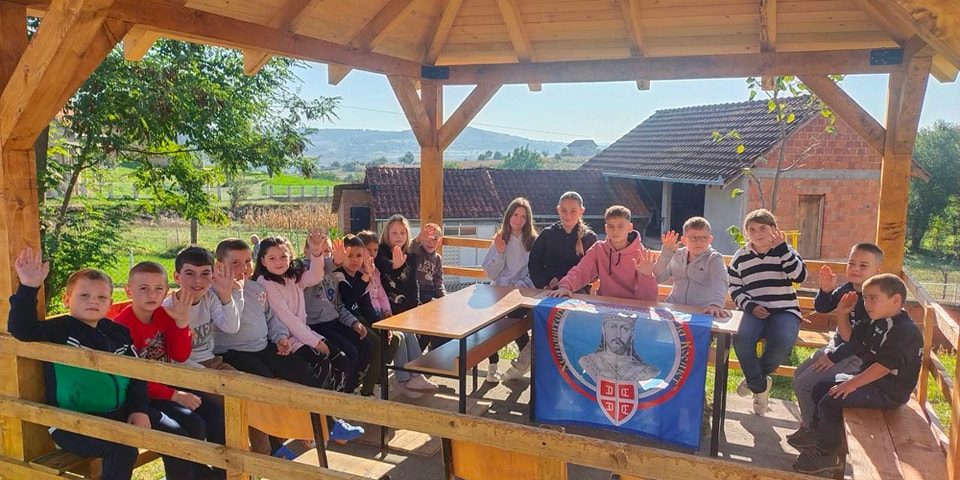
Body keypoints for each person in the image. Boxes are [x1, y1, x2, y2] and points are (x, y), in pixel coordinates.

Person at [8, 248, 153, 480]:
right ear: (67, 300)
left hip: (116, 414)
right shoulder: (61, 329)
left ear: (110, 303)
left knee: (180, 427)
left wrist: (139, 409)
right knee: (123, 450)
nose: (93, 301)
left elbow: (137, 374)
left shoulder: (118, 332)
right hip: (70, 423)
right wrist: (29, 286)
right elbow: (22, 329)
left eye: (101, 297)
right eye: (84, 295)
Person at [792, 274, 922, 476]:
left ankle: (827, 455)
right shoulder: (877, 321)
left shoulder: (904, 331)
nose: (867, 304)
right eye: (865, 299)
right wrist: (842, 314)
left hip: (888, 392)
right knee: (820, 388)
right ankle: (820, 437)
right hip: (870, 383)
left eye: (873, 298)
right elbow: (851, 340)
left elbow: (883, 367)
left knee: (831, 400)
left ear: (896, 300)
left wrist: (851, 383)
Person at [113, 261, 226, 479]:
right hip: (137, 396)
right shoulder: (121, 327)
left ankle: (223, 473)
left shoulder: (165, 315)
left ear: (166, 291)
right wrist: (174, 395)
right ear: (128, 290)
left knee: (213, 411)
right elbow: (131, 378)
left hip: (163, 386)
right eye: (143, 288)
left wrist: (182, 322)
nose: (152, 295)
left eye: (158, 289)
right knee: (183, 430)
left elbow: (180, 355)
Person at [254, 233, 364, 443]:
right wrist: (315, 341)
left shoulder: (291, 277)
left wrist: (316, 253)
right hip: (285, 339)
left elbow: (315, 276)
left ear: (290, 256)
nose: (279, 262)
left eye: (283, 256)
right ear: (263, 261)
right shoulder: (266, 283)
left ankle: (330, 416)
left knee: (340, 359)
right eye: (272, 258)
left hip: (302, 333)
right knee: (320, 365)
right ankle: (319, 424)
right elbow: (286, 318)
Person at [787, 243, 883, 449]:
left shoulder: (874, 300)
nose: (855, 269)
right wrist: (825, 290)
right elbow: (823, 307)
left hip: (855, 357)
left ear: (878, 270)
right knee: (798, 375)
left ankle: (814, 430)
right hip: (836, 348)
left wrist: (832, 357)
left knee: (805, 384)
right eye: (851, 263)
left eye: (863, 265)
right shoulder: (848, 289)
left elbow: (861, 343)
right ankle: (810, 424)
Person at [728, 208, 808, 416]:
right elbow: (734, 288)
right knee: (741, 340)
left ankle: (754, 381)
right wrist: (750, 306)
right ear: (747, 233)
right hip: (752, 310)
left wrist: (783, 250)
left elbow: (799, 276)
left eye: (763, 228)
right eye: (752, 229)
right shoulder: (741, 257)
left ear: (774, 229)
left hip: (784, 310)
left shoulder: (785, 251)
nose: (757, 233)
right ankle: (761, 387)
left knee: (782, 341)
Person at [337, 234, 438, 398]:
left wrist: (382, 324)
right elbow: (350, 299)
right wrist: (366, 275)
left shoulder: (367, 273)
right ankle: (371, 389)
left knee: (398, 335)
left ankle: (400, 378)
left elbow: (369, 302)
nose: (356, 260)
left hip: (369, 316)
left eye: (359, 255)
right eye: (350, 256)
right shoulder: (345, 274)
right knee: (382, 341)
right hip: (349, 320)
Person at [304, 235, 379, 397]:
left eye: (327, 252)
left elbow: (339, 306)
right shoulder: (305, 274)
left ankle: (351, 387)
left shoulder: (332, 276)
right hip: (316, 325)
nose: (324, 256)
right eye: (319, 252)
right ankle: (342, 393)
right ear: (306, 253)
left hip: (334, 321)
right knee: (349, 353)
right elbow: (316, 273)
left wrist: (354, 323)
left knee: (366, 345)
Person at [549, 205, 658, 301]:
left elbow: (649, 300)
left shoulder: (641, 254)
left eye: (620, 226)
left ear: (630, 227)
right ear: (606, 228)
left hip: (632, 308)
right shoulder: (599, 249)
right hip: (604, 304)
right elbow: (581, 271)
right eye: (611, 226)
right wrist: (565, 286)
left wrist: (647, 276)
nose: (615, 231)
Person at [482, 197, 537, 382]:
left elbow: (535, 271)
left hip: (523, 290)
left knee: (515, 322)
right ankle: (493, 366)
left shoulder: (533, 241)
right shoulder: (500, 238)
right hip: (499, 290)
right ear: (508, 216)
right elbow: (491, 273)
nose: (518, 220)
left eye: (523, 216)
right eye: (515, 214)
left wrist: (519, 287)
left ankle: (524, 363)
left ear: (528, 220)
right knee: (490, 322)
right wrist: (499, 252)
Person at [653, 217, 729, 317]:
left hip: (703, 311)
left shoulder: (714, 259)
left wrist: (716, 304)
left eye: (704, 238)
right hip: (674, 308)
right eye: (693, 238)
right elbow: (657, 278)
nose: (699, 243)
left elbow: (720, 282)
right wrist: (666, 254)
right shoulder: (677, 255)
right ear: (684, 240)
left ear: (710, 239)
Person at [528, 191, 598, 292]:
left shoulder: (589, 238)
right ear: (558, 210)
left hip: (578, 292)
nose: (568, 215)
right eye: (564, 210)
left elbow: (591, 270)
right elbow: (534, 264)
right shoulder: (547, 235)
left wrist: (562, 280)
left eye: (573, 211)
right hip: (548, 290)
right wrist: (543, 285)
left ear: (581, 211)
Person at [579, 313, 659, 383]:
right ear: (603, 329)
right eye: (612, 327)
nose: (618, 335)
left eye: (625, 328)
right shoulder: (587, 362)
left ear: (632, 334)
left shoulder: (647, 372)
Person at [411, 223, 447, 351]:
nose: (431, 242)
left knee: (441, 317)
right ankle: (418, 351)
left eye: (435, 239)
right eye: (427, 238)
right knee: (429, 318)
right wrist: (418, 239)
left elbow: (438, 281)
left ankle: (435, 348)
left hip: (430, 291)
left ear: (439, 242)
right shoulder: (417, 252)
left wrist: (444, 298)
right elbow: (409, 248)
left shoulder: (437, 259)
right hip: (417, 290)